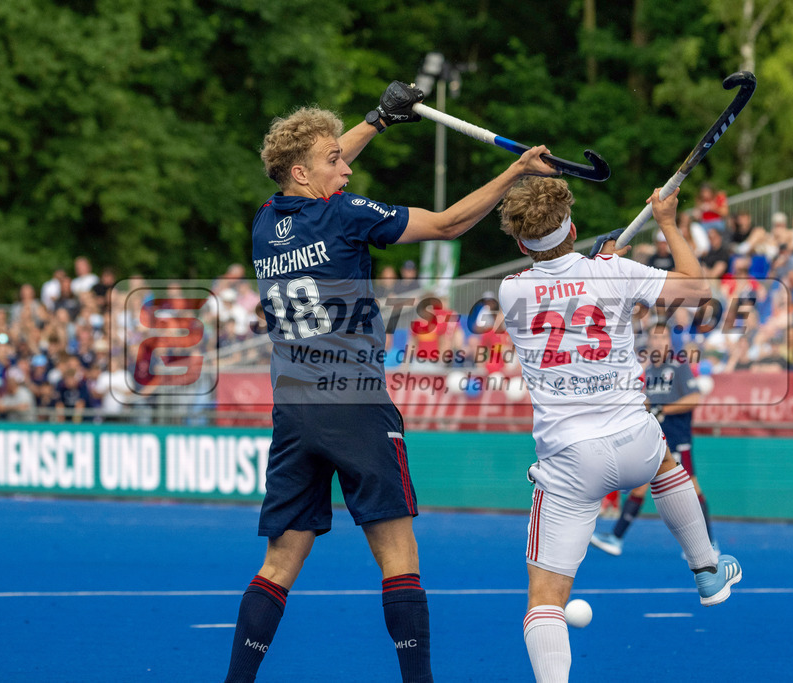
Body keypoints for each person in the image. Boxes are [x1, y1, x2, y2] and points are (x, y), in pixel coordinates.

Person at [222, 81, 559, 683]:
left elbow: (316, 165)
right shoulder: (347, 214)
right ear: (303, 172)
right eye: (335, 161)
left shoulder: (266, 221)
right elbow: (452, 224)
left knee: (280, 561)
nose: (346, 168)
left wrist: (378, 119)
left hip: (295, 410)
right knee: (398, 557)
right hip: (356, 405)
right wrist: (516, 172)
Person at [497, 178, 741, 683]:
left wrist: (594, 263)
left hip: (571, 459)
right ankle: (706, 569)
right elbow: (696, 290)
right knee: (667, 463)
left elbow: (559, 277)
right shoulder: (613, 271)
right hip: (637, 439)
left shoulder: (510, 289)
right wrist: (668, 223)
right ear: (573, 226)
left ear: (522, 243)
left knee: (545, 602)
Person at [589, 322, 718, 558]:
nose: (659, 342)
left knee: (692, 487)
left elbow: (694, 398)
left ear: (669, 341)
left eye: (663, 338)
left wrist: (664, 410)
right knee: (640, 484)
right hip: (656, 438)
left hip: (677, 439)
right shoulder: (649, 371)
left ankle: (710, 544)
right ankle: (616, 537)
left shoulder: (678, 365)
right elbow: (650, 403)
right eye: (655, 339)